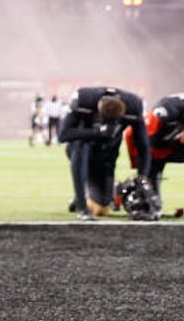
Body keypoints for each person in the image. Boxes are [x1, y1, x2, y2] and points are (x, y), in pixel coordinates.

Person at [124, 91, 184, 219]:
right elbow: (144, 144)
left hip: (177, 145)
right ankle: (124, 189)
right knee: (151, 205)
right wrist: (143, 173)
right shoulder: (165, 112)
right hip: (157, 147)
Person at [59, 86, 151, 221]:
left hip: (106, 157)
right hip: (80, 149)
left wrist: (142, 177)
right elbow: (63, 135)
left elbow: (143, 147)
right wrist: (97, 132)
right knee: (81, 145)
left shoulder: (134, 106)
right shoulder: (84, 99)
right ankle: (81, 206)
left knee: (101, 208)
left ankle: (111, 190)